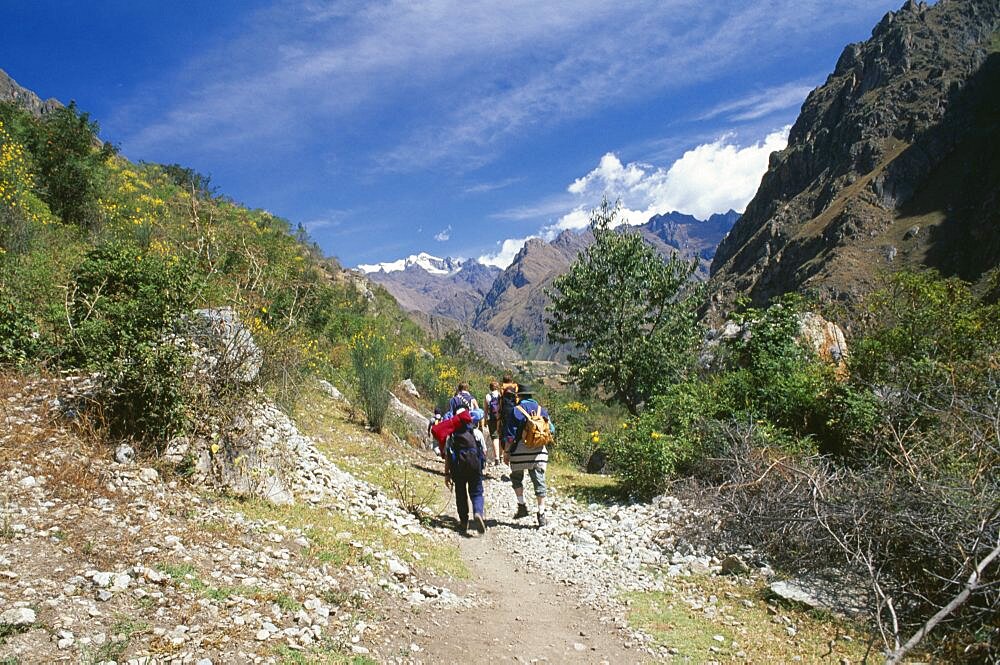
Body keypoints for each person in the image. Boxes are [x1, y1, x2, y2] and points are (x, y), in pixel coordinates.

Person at [501, 385, 551, 527]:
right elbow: (551, 429)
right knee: (539, 481)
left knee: (516, 478)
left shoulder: (516, 411)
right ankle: (541, 513)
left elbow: (510, 436)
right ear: (531, 395)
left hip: (519, 452)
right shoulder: (542, 410)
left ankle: (522, 505)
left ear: (519, 396)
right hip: (539, 452)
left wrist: (506, 452)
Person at [444, 408, 488, 534]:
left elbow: (447, 456)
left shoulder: (451, 435)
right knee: (477, 492)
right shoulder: (476, 432)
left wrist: (447, 474)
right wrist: (483, 466)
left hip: (458, 468)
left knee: (461, 494)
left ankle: (464, 522)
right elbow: (484, 451)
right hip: (475, 468)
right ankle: (478, 512)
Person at [483, 381, 502, 465]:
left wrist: (485, 421)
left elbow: (486, 410)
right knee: (501, 436)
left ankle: (497, 457)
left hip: (492, 419)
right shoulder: (501, 395)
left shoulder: (488, 396)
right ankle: (501, 456)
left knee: (495, 437)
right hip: (501, 418)